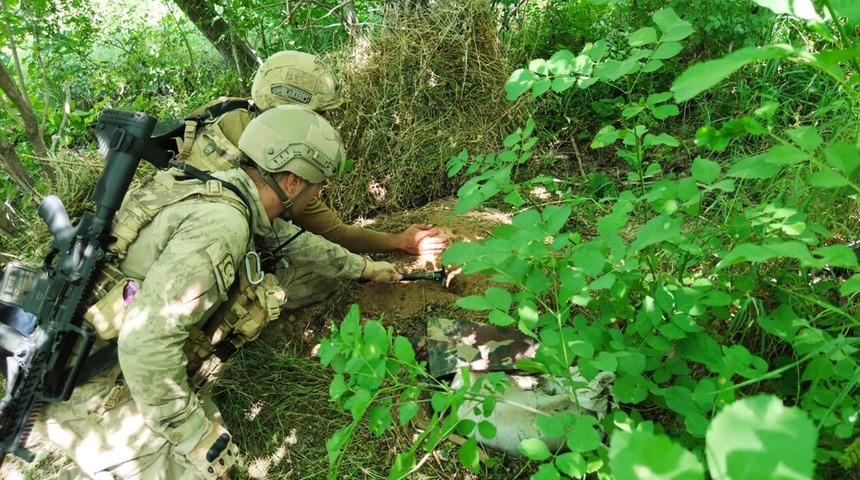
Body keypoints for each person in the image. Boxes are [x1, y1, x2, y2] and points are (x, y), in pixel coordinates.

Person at [36, 105, 400, 479]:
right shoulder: (223, 226)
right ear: (292, 182)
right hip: (98, 388)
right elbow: (144, 345)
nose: (319, 192)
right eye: (319, 184)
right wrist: (194, 439)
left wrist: (365, 268)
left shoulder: (220, 188)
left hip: (96, 363)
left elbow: (295, 243)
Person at [174, 49, 449, 257]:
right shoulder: (276, 161)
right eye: (320, 114)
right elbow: (333, 233)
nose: (327, 120)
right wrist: (397, 241)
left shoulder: (228, 115)